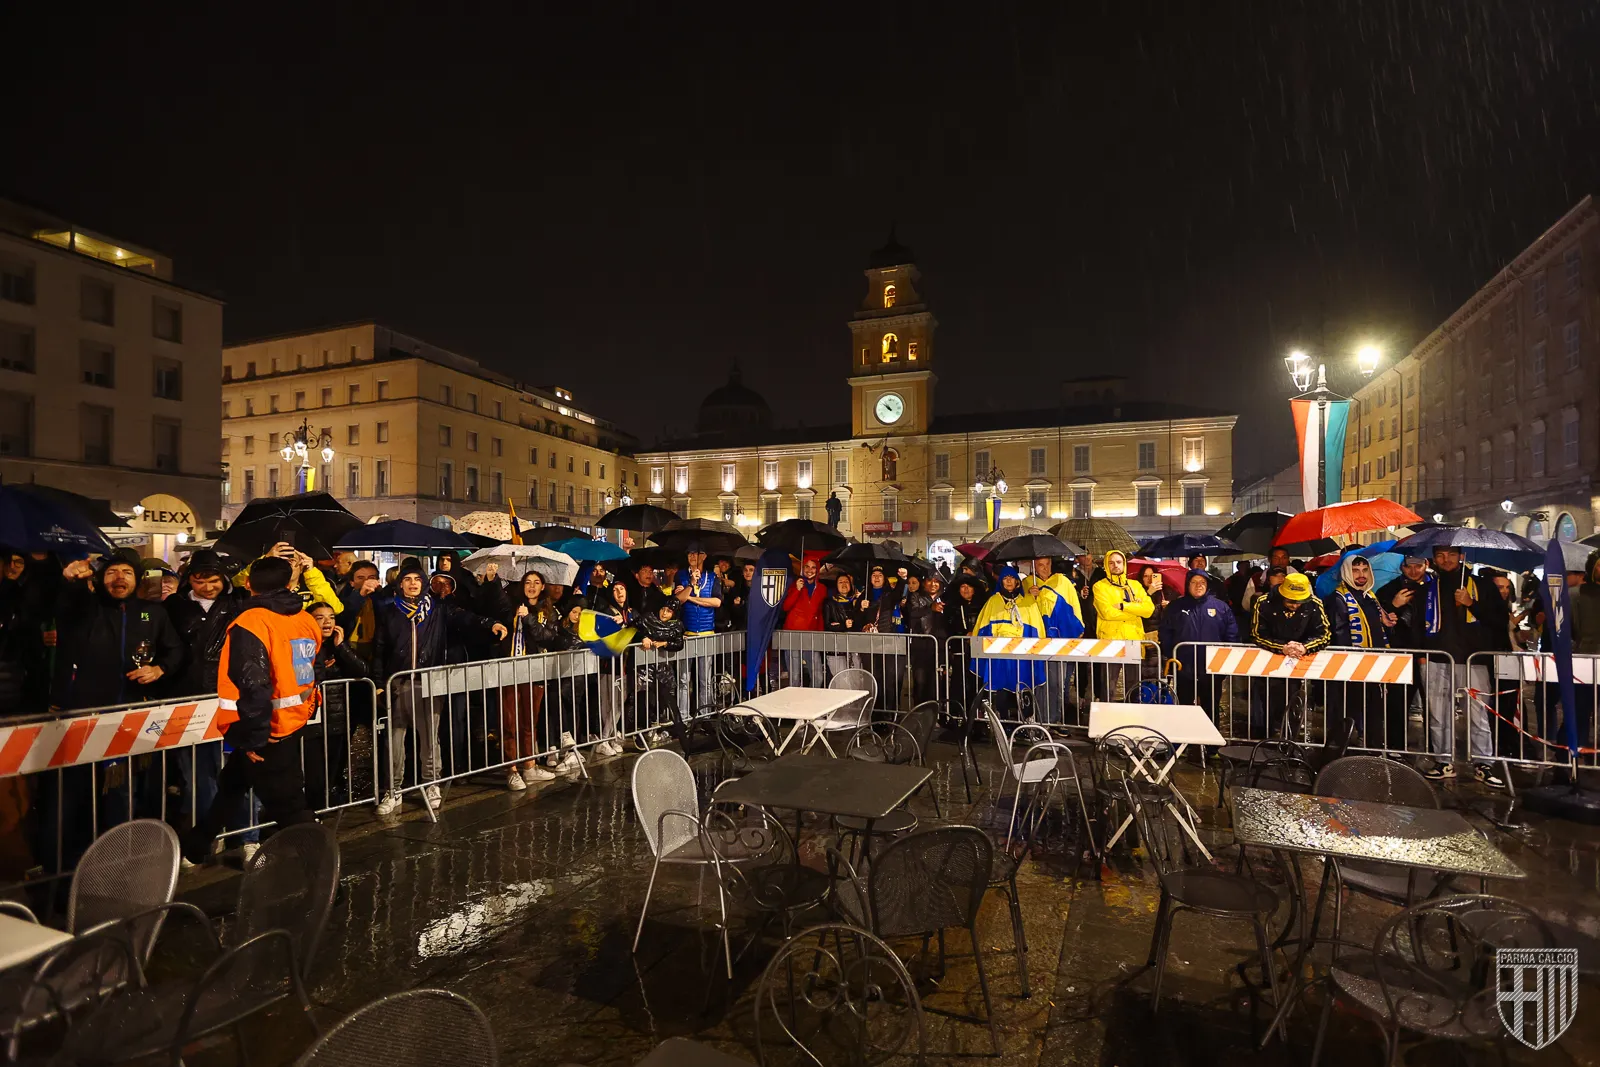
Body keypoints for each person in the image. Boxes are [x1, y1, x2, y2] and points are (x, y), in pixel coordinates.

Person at [180, 556, 322, 864]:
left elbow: (253, 684)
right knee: (233, 784)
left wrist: (254, 738)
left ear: (248, 584)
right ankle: (196, 846)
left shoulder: (252, 622)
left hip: (265, 731)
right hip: (289, 722)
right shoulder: (305, 618)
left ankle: (324, 874)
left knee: (290, 808)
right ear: (289, 584)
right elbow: (313, 666)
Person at [373, 557, 507, 815]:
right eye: (407, 580)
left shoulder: (437, 609)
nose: (413, 583)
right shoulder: (390, 613)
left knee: (429, 739)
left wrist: (491, 623)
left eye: (417, 579)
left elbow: (465, 617)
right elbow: (379, 650)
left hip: (428, 682)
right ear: (400, 585)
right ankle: (393, 789)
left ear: (424, 584)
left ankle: (431, 783)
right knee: (395, 740)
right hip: (398, 683)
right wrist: (380, 684)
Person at [164, 549, 258, 859]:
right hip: (188, 699)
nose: (208, 587)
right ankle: (207, 834)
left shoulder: (239, 602)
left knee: (239, 770)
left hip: (232, 697)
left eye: (214, 580)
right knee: (197, 775)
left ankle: (247, 836)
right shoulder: (174, 606)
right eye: (200, 581)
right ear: (189, 579)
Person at [1416, 546, 1506, 784]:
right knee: (1438, 715)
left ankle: (1483, 763)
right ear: (1434, 559)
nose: (1446, 560)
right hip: (1436, 658)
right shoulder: (1427, 589)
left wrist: (1471, 603)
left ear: (1462, 556)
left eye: (1451, 555)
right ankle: (1443, 761)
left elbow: (1499, 619)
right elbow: (1417, 624)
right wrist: (1421, 656)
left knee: (1478, 715)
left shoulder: (1482, 585)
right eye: (1440, 555)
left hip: (1473, 659)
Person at [1322, 554, 1402, 750]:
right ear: (1346, 572)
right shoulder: (1337, 598)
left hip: (1371, 665)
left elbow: (1375, 630)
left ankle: (1370, 746)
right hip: (1349, 666)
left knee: (1372, 708)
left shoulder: (1370, 597)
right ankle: (1340, 751)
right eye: (1355, 570)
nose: (1361, 575)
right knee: (1347, 709)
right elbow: (1338, 634)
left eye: (1365, 570)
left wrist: (1386, 623)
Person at [1249, 572, 1330, 737]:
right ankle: (1262, 738)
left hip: (1296, 666)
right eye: (1291, 601)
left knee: (1292, 705)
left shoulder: (1314, 604)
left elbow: (1324, 634)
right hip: (1266, 666)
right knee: (1264, 705)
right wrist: (1282, 647)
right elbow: (1257, 634)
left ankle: (1289, 741)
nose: (1295, 606)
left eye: (1300, 602)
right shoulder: (1263, 603)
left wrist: (1305, 647)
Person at [502, 571, 560, 788]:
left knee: (529, 722)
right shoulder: (511, 606)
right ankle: (511, 769)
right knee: (510, 722)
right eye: (528, 582)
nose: (532, 586)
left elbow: (547, 637)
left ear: (543, 587)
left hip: (533, 672)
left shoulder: (548, 611)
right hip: (509, 670)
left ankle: (530, 766)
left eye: (536, 583)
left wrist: (528, 618)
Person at [1160, 568, 1239, 718]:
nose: (1198, 585)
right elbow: (1165, 633)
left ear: (1207, 585)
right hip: (1184, 669)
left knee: (1211, 709)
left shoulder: (1221, 607)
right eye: (1194, 582)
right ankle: (1186, 734)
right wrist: (1173, 656)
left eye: (1202, 582)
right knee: (1184, 710)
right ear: (1187, 584)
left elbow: (1231, 635)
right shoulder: (1175, 607)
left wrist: (1225, 663)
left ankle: (1211, 734)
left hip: (1212, 670)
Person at [971, 566, 1047, 720]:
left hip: (1022, 656)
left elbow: (1037, 628)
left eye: (1011, 578)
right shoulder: (993, 601)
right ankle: (1001, 722)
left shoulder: (1028, 602)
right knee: (1000, 691)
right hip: (999, 657)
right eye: (1005, 578)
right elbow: (982, 626)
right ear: (1001, 581)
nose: (1009, 581)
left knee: (1024, 688)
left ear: (1017, 582)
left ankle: (1026, 723)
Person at [1025, 557, 1085, 721]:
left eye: (1047, 564)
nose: (1044, 568)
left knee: (1060, 683)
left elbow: (1074, 605)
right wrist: (1030, 596)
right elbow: (1022, 609)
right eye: (1040, 565)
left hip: (1061, 639)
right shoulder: (1028, 583)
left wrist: (1078, 629)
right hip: (1036, 641)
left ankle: (1057, 719)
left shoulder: (1062, 582)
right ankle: (1040, 718)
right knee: (1038, 681)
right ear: (1034, 566)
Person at [1091, 550, 1153, 700]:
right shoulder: (1099, 587)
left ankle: (1133, 713)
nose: (1115, 565)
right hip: (1110, 641)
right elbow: (1107, 613)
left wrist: (1124, 606)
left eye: (1119, 562)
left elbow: (1148, 610)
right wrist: (1136, 610)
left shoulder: (1135, 585)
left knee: (1134, 687)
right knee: (1109, 686)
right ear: (1106, 565)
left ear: (1124, 564)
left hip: (1133, 640)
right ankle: (1106, 714)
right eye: (1111, 562)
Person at [674, 544, 723, 716]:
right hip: (686, 633)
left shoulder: (712, 577)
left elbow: (716, 602)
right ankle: (683, 716)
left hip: (707, 632)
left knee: (705, 680)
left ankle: (705, 715)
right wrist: (691, 584)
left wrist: (691, 598)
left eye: (696, 553)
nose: (692, 556)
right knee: (683, 679)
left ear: (704, 556)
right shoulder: (681, 575)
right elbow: (678, 600)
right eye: (689, 553)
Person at [779, 556, 827, 685]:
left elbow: (820, 613)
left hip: (811, 636)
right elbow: (785, 607)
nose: (810, 570)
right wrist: (797, 590)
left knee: (818, 677)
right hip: (793, 634)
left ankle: (811, 698)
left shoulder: (822, 589)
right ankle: (795, 698)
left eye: (813, 567)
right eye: (807, 566)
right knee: (794, 677)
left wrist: (820, 635)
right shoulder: (794, 584)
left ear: (817, 570)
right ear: (802, 568)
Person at [900, 573, 945, 705]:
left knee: (936, 682)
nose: (933, 584)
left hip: (939, 647)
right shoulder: (916, 596)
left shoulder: (945, 597)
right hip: (920, 646)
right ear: (924, 583)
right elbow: (913, 613)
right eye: (930, 580)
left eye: (936, 581)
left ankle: (937, 710)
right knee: (920, 681)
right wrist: (930, 608)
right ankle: (919, 711)